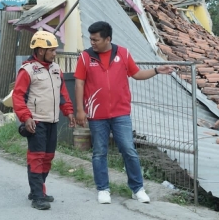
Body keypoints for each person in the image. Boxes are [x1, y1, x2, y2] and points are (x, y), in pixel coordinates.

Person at [74, 21, 175, 205]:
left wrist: (156, 70)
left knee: (129, 150)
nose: (92, 43)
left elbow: (136, 74)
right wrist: (80, 110)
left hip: (121, 113)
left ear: (108, 39)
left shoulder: (123, 53)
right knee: (99, 152)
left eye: (96, 39)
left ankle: (138, 189)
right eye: (91, 39)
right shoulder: (85, 57)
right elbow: (79, 83)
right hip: (96, 114)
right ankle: (103, 189)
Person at [12, 31, 75, 210]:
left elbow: (62, 94)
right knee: (37, 158)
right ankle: (38, 196)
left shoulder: (56, 69)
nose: (55, 53)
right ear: (40, 51)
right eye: (52, 50)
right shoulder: (28, 70)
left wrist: (69, 112)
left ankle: (37, 190)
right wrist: (26, 118)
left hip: (52, 121)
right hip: (36, 122)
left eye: (55, 50)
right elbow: (18, 96)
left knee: (48, 157)